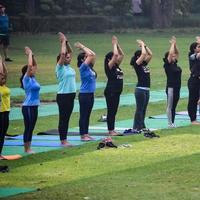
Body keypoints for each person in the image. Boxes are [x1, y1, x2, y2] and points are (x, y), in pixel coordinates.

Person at [55, 32, 76, 146]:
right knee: (63, 118)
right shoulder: (60, 68)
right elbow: (63, 54)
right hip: (63, 96)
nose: (69, 58)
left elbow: (69, 52)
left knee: (67, 118)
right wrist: (62, 42)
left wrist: (66, 42)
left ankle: (65, 139)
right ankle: (63, 140)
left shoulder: (69, 67)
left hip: (71, 95)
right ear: (62, 60)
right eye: (67, 58)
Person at [74, 41, 96, 141]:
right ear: (83, 59)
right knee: (83, 115)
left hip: (91, 94)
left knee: (87, 115)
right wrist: (82, 46)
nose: (89, 57)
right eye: (86, 56)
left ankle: (86, 134)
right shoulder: (83, 67)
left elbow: (93, 54)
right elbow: (91, 55)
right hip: (84, 95)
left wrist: (84, 48)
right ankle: (83, 135)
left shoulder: (90, 67)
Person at [20, 46, 40, 153]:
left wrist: (32, 55)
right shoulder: (26, 79)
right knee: (28, 127)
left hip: (34, 106)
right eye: (31, 69)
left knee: (31, 127)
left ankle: (29, 147)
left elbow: (34, 65)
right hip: (27, 106)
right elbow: (30, 65)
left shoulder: (33, 78)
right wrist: (29, 54)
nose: (33, 69)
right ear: (27, 71)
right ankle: (26, 148)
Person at [130, 39, 153, 134]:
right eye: (141, 55)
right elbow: (144, 54)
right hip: (140, 89)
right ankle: (136, 127)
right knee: (139, 109)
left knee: (144, 109)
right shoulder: (137, 64)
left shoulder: (144, 64)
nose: (144, 56)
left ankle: (142, 126)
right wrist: (142, 45)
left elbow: (150, 54)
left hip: (146, 89)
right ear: (138, 57)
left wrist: (145, 45)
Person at [104, 36, 124, 136]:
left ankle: (112, 129)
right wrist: (114, 44)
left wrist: (118, 44)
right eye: (113, 57)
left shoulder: (116, 66)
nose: (116, 58)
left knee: (114, 111)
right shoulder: (109, 66)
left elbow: (121, 54)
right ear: (109, 59)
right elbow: (116, 54)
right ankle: (110, 130)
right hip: (111, 91)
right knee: (111, 111)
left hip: (116, 92)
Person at [163, 36, 182, 128]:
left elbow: (176, 53)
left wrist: (175, 44)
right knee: (170, 106)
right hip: (171, 87)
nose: (174, 56)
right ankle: (170, 124)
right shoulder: (167, 65)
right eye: (172, 56)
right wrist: (172, 44)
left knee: (174, 106)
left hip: (177, 87)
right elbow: (170, 54)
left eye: (174, 56)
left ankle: (173, 122)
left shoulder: (175, 64)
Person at [187, 37, 200, 125]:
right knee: (193, 100)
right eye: (199, 46)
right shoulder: (192, 55)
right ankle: (193, 120)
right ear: (194, 49)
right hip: (194, 80)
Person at [0, 54, 10, 159]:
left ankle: (0, 153)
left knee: (3, 134)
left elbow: (5, 73)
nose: (4, 78)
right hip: (0, 112)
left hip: (7, 111)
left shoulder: (4, 86)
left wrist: (2, 61)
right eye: (1, 77)